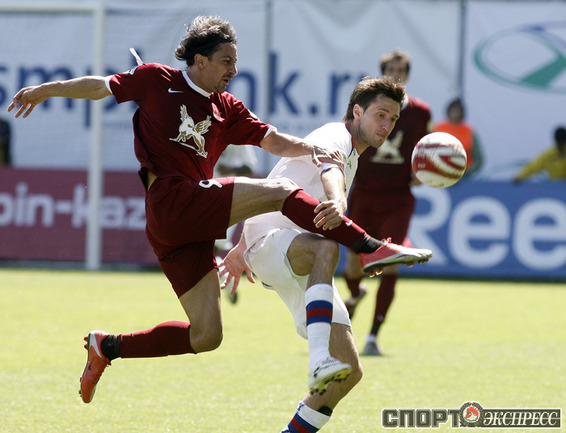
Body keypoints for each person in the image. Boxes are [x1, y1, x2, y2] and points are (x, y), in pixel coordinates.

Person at [7, 16, 431, 406]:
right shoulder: (156, 79)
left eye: (235, 62)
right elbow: (99, 86)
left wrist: (311, 149)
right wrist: (46, 90)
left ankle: (108, 347)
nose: (233, 69)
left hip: (184, 228)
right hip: (172, 199)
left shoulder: (226, 107)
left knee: (206, 335)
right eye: (226, 61)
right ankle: (367, 245)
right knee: (281, 191)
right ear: (200, 60)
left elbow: (273, 141)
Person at [220, 77, 411, 433]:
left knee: (349, 372)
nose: (386, 124)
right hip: (276, 243)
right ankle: (319, 358)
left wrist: (239, 247)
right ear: (358, 111)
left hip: (289, 253)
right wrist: (338, 201)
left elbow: (283, 180)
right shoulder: (335, 135)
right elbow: (329, 168)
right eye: (380, 114)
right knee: (326, 247)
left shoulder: (353, 154)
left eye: (393, 118)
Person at [342, 49, 433, 356]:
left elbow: (426, 148)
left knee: (392, 260)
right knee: (353, 262)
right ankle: (356, 293)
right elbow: (348, 138)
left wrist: (423, 171)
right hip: (364, 193)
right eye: (391, 69)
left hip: (397, 197)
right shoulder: (366, 106)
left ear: (407, 74)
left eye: (401, 70)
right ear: (382, 72)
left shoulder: (420, 112)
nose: (396, 74)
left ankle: (372, 336)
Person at [434, 97, 483, 177]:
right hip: (439, 175)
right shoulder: (437, 129)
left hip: (463, 177)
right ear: (448, 111)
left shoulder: (469, 131)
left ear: (462, 113)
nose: (455, 114)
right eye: (453, 111)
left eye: (458, 111)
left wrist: (467, 173)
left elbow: (478, 159)